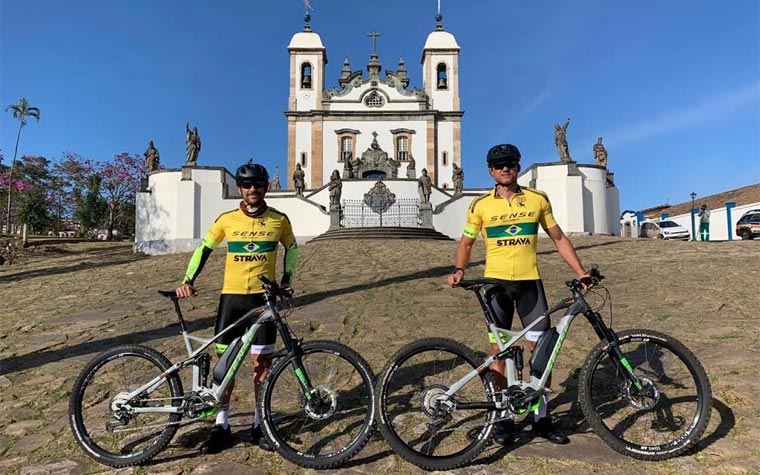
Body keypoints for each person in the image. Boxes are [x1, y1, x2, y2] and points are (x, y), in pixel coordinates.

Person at [447, 143, 591, 446]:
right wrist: (459, 269)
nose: (505, 168)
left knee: (542, 354)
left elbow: (559, 238)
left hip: (530, 284)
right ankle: (503, 418)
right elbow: (466, 242)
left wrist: (580, 271)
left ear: (517, 165)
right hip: (495, 285)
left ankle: (541, 418)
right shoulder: (480, 205)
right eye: (499, 165)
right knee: (499, 355)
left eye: (511, 163)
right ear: (490, 171)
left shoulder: (537, 200)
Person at [175, 163, 299, 454]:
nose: (252, 189)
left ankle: (260, 424)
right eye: (246, 185)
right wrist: (187, 280)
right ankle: (221, 425)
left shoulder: (279, 219)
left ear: (266, 186)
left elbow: (292, 247)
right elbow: (204, 248)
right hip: (231, 300)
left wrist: (286, 280)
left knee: (262, 366)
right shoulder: (227, 219)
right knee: (224, 368)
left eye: (257, 184)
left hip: (262, 301)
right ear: (240, 189)